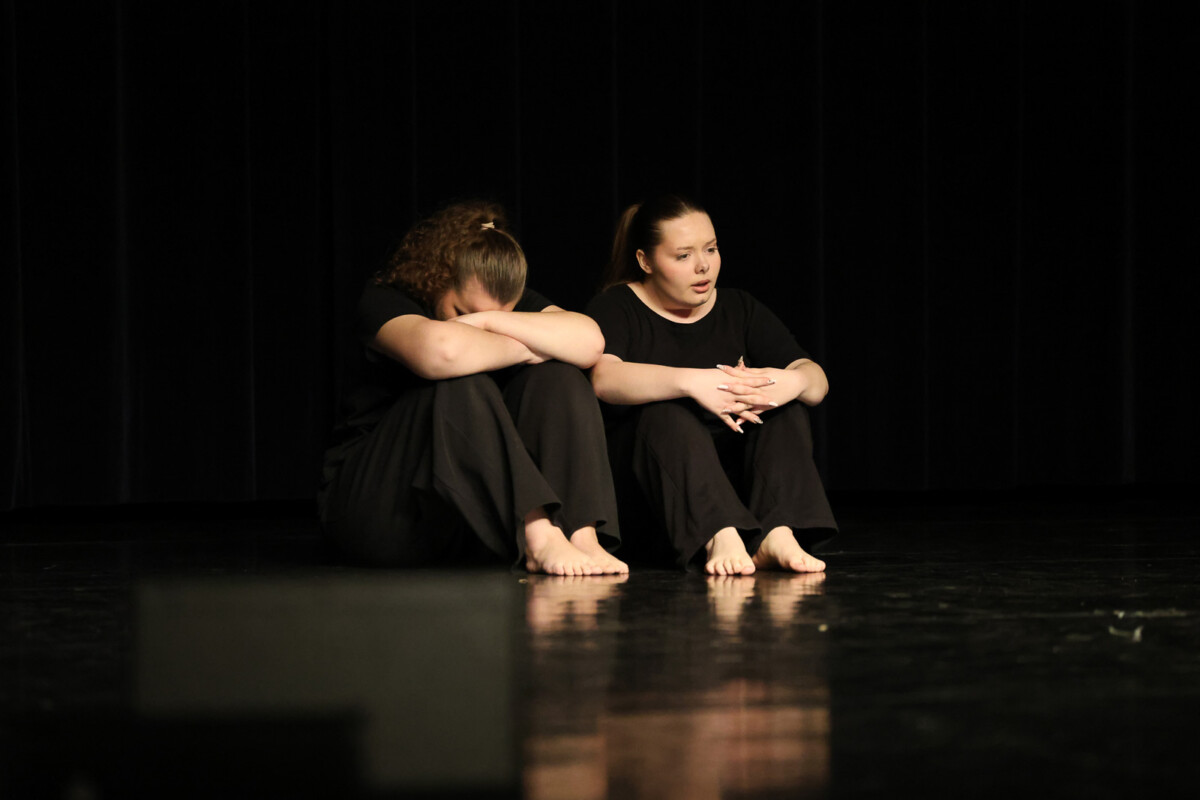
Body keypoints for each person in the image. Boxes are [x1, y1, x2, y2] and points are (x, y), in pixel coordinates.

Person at [320, 201, 626, 575]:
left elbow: (590, 343)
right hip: (378, 505)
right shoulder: (386, 299)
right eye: (464, 313)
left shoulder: (498, 301)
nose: (476, 322)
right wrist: (528, 346)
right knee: (459, 381)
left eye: (497, 314)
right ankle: (538, 534)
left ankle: (581, 535)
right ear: (438, 279)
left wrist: (490, 321)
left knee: (559, 376)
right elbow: (442, 353)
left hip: (459, 516)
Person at [585, 195, 836, 576]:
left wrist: (790, 381)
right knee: (665, 413)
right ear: (645, 261)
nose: (703, 266)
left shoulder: (739, 308)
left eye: (711, 249)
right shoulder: (617, 306)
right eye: (683, 256)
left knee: (785, 409)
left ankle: (777, 532)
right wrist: (693, 382)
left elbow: (816, 383)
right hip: (659, 496)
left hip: (735, 486)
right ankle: (719, 534)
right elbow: (604, 378)